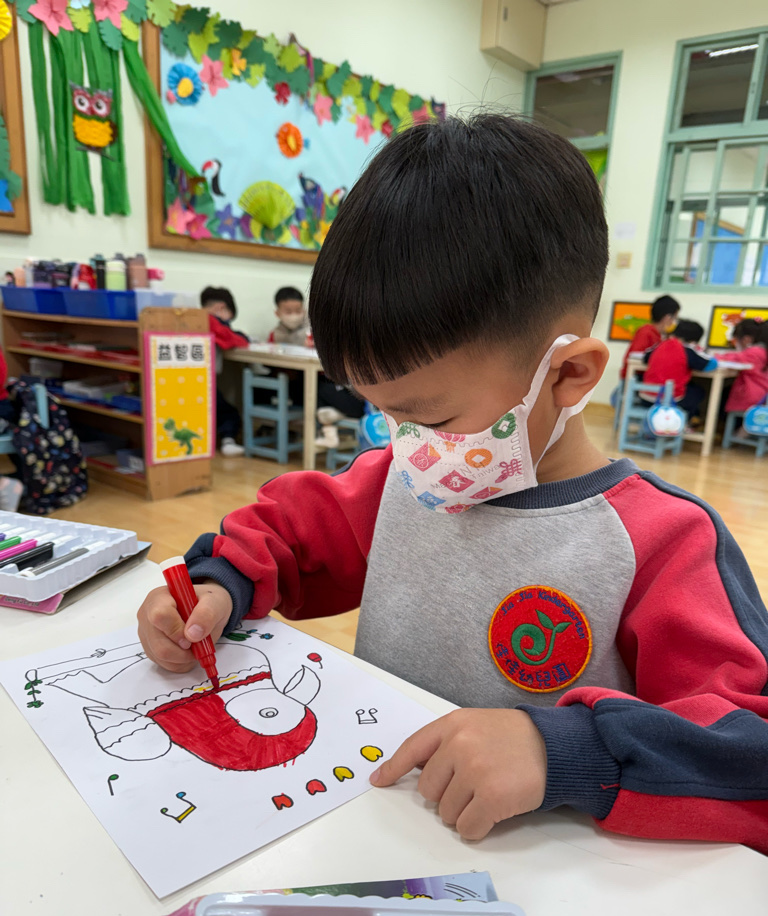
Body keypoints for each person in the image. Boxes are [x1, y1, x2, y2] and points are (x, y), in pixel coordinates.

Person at [138, 114, 768, 854]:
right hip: (386, 835)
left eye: (429, 416)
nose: (405, 444)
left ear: (569, 374)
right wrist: (218, 585)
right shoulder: (397, 481)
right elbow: (287, 534)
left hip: (553, 874)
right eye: (384, 413)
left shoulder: (666, 542)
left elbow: (746, 747)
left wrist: (564, 750)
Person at [268, 285, 366, 448]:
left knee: (319, 389)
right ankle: (329, 424)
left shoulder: (314, 331)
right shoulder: (276, 334)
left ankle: (331, 420)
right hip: (304, 382)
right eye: (288, 311)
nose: (293, 315)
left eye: (297, 310)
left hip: (338, 385)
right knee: (308, 388)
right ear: (277, 312)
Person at [200, 286, 249, 457]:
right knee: (229, 412)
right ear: (221, 308)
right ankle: (228, 440)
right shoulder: (210, 320)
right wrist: (244, 338)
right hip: (203, 381)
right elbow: (230, 339)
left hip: (198, 378)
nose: (227, 325)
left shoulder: (196, 320)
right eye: (229, 319)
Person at [641, 318, 716, 419]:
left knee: (690, 387)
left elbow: (645, 358)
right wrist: (701, 351)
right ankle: (685, 420)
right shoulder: (687, 350)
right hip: (671, 400)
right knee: (698, 391)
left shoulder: (660, 345)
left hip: (647, 397)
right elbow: (711, 365)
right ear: (693, 341)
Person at [718, 319, 768, 425]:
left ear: (746, 339)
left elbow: (733, 359)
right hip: (762, 394)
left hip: (753, 397)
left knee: (722, 395)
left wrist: (715, 356)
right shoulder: (764, 351)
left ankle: (725, 428)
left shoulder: (756, 351)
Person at [619, 294, 680, 380]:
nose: (674, 322)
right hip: (634, 378)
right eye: (675, 318)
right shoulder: (646, 332)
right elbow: (635, 357)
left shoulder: (660, 336)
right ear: (667, 317)